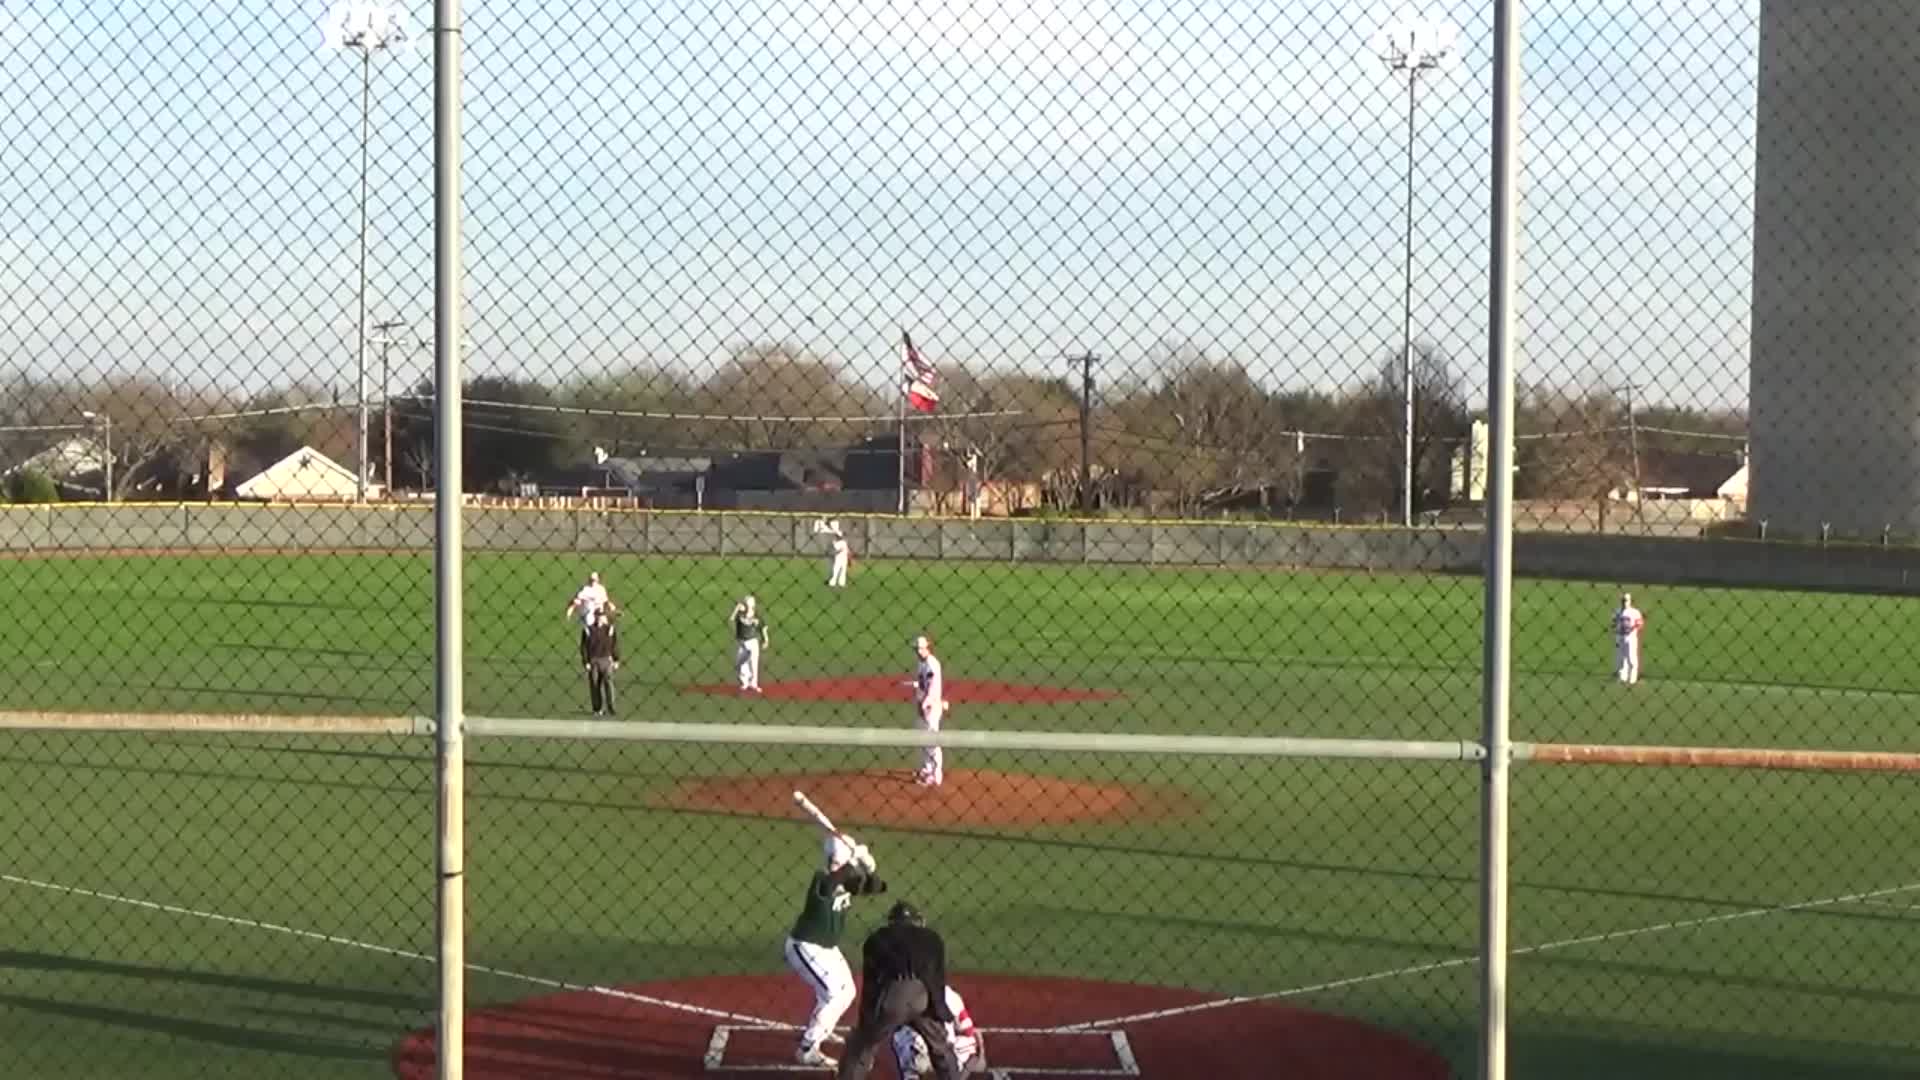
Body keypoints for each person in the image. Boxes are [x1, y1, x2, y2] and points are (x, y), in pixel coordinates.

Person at [783, 832, 887, 1068]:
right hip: (805, 945)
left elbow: (878, 887)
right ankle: (808, 1048)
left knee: (847, 991)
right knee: (834, 994)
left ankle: (822, 1027)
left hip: (828, 948)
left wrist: (869, 867)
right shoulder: (821, 879)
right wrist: (853, 861)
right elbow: (832, 884)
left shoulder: (847, 879)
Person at [835, 901, 962, 1080]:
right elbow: (936, 979)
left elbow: (872, 984)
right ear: (917, 920)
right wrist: (938, 1012)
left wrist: (868, 1023)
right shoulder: (932, 938)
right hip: (923, 995)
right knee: (941, 1046)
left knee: (861, 1045)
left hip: (893, 996)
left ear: (892, 921)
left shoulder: (876, 938)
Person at [890, 983, 987, 1080]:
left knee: (903, 1041)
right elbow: (966, 1026)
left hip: (914, 1055)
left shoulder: (898, 993)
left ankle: (911, 1073)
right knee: (967, 1045)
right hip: (936, 1054)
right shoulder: (946, 993)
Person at [908, 635, 948, 786]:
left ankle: (936, 776)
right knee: (924, 739)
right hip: (924, 705)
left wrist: (923, 704)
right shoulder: (921, 663)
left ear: (927, 648)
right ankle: (927, 768)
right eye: (916, 649)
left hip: (932, 707)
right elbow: (923, 684)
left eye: (920, 649)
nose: (917, 652)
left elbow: (931, 688)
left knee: (932, 741)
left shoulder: (932, 664)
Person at [580, 606, 620, 716]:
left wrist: (616, 659)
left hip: (606, 660)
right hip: (593, 660)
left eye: (602, 616)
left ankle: (611, 708)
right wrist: (586, 661)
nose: (600, 618)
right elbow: (583, 647)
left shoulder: (610, 629)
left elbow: (614, 645)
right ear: (595, 617)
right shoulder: (588, 630)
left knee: (609, 684)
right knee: (594, 685)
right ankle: (597, 709)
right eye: (598, 616)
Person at [565, 572, 614, 652]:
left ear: (598, 580)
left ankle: (606, 646)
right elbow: (576, 601)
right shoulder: (585, 590)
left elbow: (606, 600)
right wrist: (570, 610)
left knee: (605, 627)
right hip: (589, 613)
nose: (593, 581)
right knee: (590, 628)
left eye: (594, 580)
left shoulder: (601, 589)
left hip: (600, 612)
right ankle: (591, 645)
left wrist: (611, 606)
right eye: (591, 580)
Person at [731, 595, 769, 693]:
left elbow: (763, 628)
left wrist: (766, 640)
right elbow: (731, 620)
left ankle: (754, 684)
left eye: (750, 602)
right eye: (747, 601)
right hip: (742, 643)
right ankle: (745, 682)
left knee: (753, 663)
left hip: (752, 642)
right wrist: (736, 609)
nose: (748, 603)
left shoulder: (756, 616)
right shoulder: (740, 615)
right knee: (740, 664)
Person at [1612, 591, 1646, 685]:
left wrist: (1632, 629)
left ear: (1630, 601)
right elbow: (1613, 623)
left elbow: (1640, 624)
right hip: (1620, 637)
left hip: (1631, 638)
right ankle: (1623, 677)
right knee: (1622, 658)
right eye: (1623, 600)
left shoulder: (1635, 612)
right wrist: (1616, 632)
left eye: (1626, 600)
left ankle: (1633, 678)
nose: (1624, 602)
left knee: (1631, 657)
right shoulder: (1617, 611)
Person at [823, 519, 852, 589]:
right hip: (838, 559)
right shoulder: (836, 543)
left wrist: (849, 559)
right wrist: (839, 551)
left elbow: (848, 551)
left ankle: (842, 584)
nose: (842, 536)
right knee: (835, 571)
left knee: (843, 572)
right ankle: (832, 583)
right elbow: (835, 551)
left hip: (844, 559)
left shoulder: (844, 542)